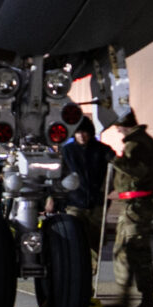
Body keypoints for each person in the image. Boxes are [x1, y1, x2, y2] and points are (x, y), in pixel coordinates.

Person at [107, 110, 153, 307]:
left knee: (136, 252)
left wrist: (115, 160)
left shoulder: (137, 144)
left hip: (136, 206)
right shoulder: (145, 142)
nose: (117, 130)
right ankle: (125, 298)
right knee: (125, 251)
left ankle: (147, 302)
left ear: (123, 124)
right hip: (135, 205)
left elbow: (138, 171)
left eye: (117, 126)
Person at [56, 120, 108, 279]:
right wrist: (55, 197)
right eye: (78, 132)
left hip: (96, 204)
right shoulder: (67, 151)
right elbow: (59, 176)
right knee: (75, 242)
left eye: (85, 132)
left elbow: (114, 168)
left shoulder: (102, 150)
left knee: (94, 243)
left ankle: (89, 280)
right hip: (74, 203)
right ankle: (77, 277)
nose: (82, 136)